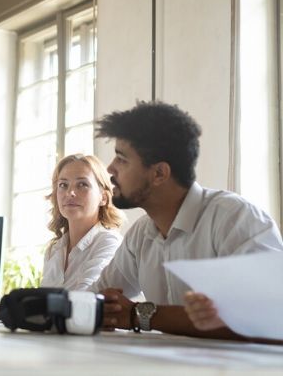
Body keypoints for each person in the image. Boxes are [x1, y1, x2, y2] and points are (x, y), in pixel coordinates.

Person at [91, 101, 283, 339]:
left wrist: (137, 314)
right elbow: (99, 297)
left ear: (159, 173)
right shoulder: (142, 232)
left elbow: (272, 317)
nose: (110, 168)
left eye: (122, 159)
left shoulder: (235, 218)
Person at [0, 153, 122, 319]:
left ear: (104, 198)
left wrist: (14, 308)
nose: (70, 192)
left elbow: (83, 300)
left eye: (82, 184)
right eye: (63, 185)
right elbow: (47, 305)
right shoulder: (55, 249)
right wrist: (4, 309)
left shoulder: (109, 242)